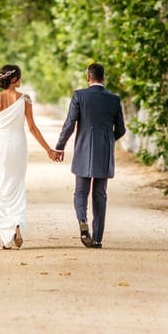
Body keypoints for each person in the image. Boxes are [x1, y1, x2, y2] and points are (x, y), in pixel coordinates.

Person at [0, 65, 59, 250]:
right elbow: (32, 127)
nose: (21, 80)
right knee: (16, 186)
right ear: (14, 79)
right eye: (20, 77)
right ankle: (15, 223)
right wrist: (48, 149)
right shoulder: (25, 99)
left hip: (0, 146)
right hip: (18, 146)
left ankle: (6, 234)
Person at [55, 63, 125, 248]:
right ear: (103, 78)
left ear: (88, 78)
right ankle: (97, 238)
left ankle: (82, 220)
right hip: (104, 152)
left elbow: (70, 124)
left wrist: (60, 146)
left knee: (80, 191)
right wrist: (108, 139)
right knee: (100, 194)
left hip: (83, 150)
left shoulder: (80, 96)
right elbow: (121, 130)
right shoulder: (114, 99)